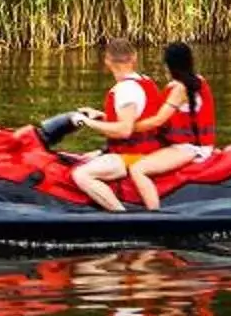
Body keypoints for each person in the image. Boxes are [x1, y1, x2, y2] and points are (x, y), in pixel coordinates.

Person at [66, 36, 167, 212]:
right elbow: (136, 120)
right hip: (150, 150)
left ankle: (119, 214)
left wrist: (88, 122)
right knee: (84, 156)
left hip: (133, 156)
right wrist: (102, 116)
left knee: (81, 174)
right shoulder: (145, 81)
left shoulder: (125, 90)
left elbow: (124, 131)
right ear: (134, 57)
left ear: (107, 61)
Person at [113, 42, 217, 209]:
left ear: (169, 65)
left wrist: (126, 128)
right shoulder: (197, 81)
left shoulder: (179, 89)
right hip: (192, 145)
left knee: (138, 170)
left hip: (190, 149)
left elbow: (158, 120)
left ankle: (154, 216)